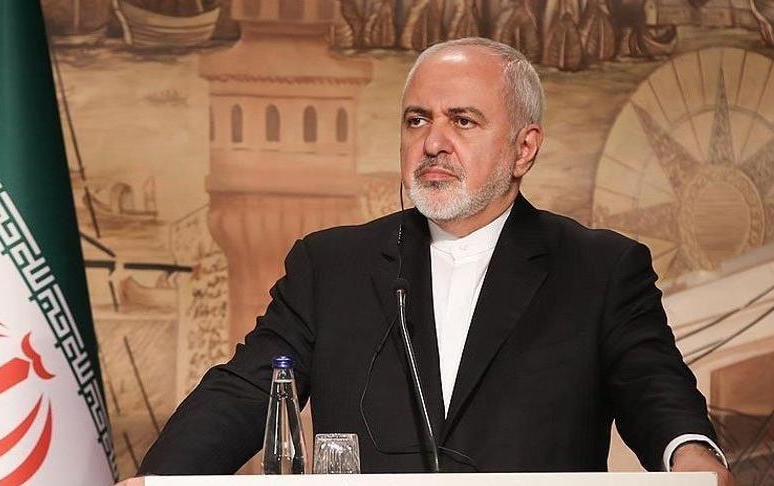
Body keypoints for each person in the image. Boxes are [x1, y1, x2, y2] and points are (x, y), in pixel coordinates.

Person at [120, 38, 734, 485]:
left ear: (524, 148)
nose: (433, 142)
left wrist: (693, 460)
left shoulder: (599, 268)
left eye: (463, 121)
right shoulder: (331, 265)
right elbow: (247, 389)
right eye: (418, 120)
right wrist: (159, 479)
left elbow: (653, 388)